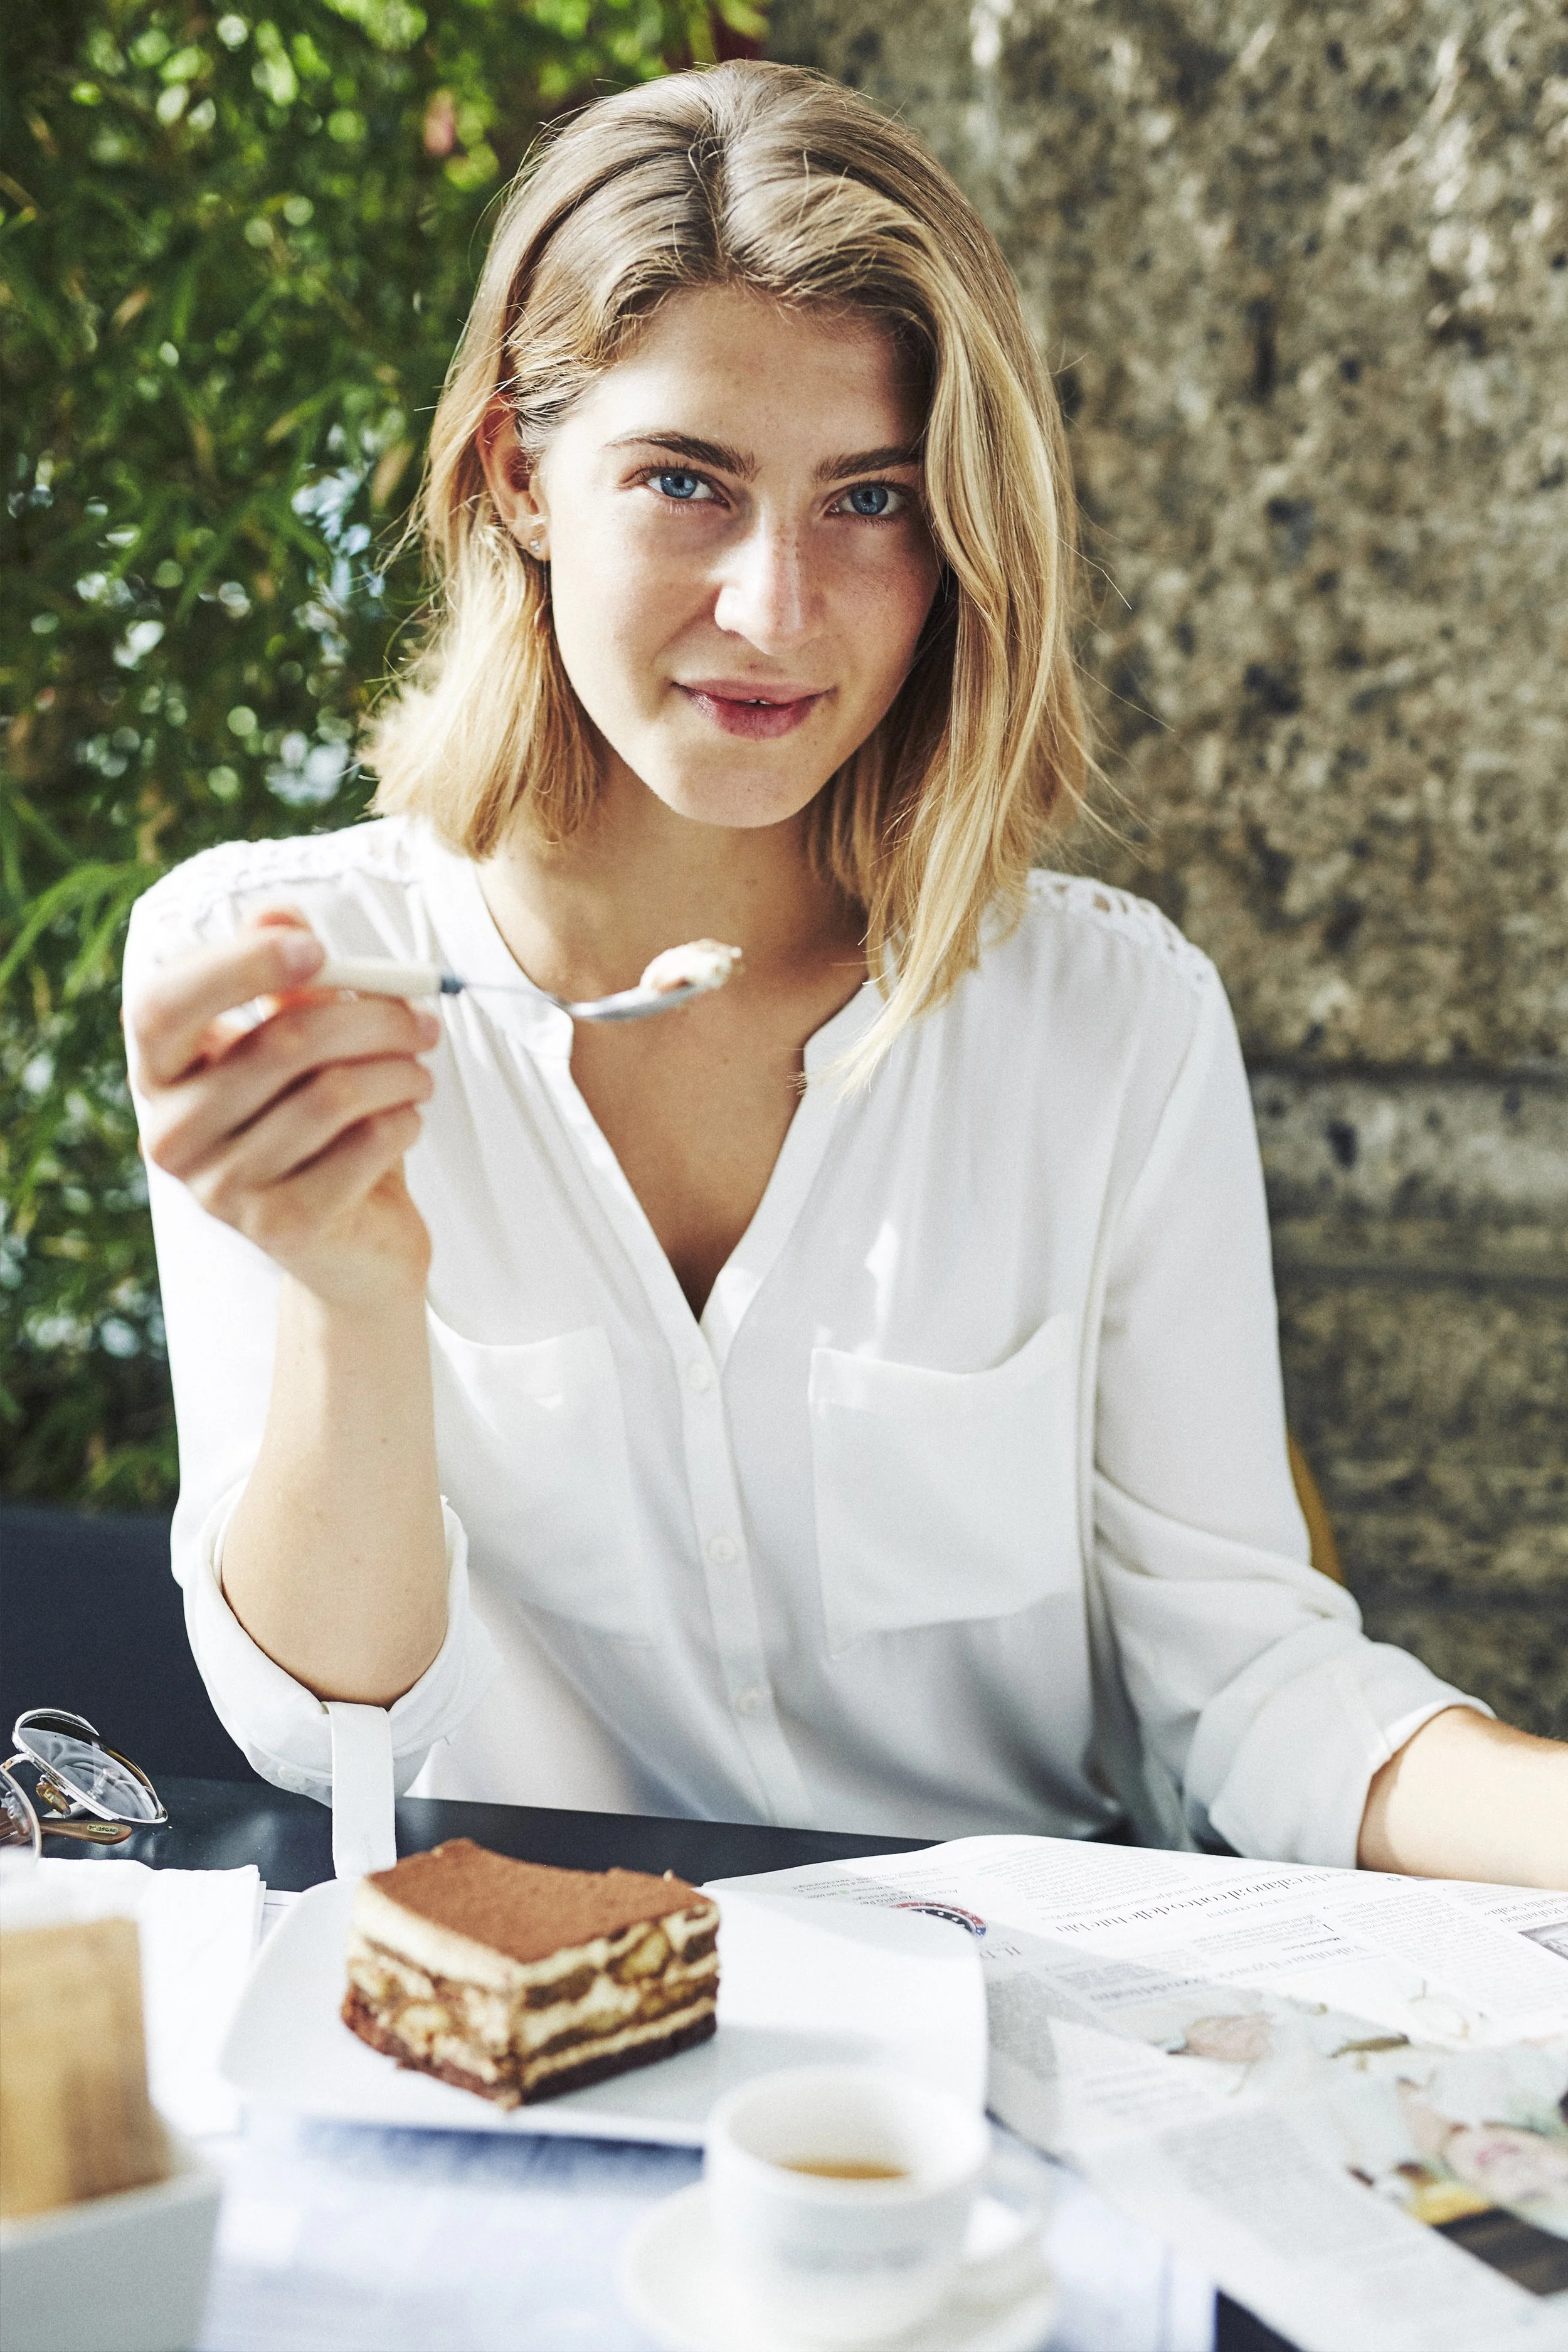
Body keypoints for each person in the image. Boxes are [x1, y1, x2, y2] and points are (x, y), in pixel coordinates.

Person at [123, 61, 1566, 1885]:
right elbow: (328, 1719)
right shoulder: (277, 972)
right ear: (518, 472)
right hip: (530, 2014)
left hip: (1014, 2036)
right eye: (682, 481)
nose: (776, 609)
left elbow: (1251, 1687)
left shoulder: (1108, 1027)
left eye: (871, 499)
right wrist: (348, 1289)